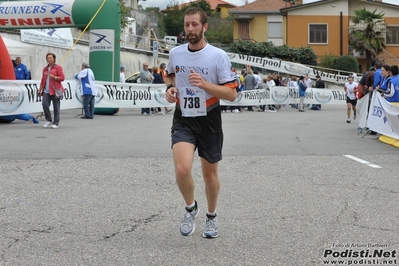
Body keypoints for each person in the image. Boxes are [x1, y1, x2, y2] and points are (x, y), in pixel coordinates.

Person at [164, 7, 237, 238]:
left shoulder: (218, 56)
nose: (190, 29)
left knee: (209, 176)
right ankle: (190, 208)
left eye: (195, 24)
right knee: (182, 168)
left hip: (209, 120)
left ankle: (211, 217)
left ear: (204, 27)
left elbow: (232, 94)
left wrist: (205, 85)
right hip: (183, 118)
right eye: (187, 25)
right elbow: (169, 74)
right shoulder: (176, 53)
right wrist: (170, 88)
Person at [38, 53, 65, 129]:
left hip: (55, 90)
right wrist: (40, 89)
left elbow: (62, 78)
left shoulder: (58, 67)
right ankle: (48, 119)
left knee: (56, 107)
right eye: (48, 58)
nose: (49, 59)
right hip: (46, 90)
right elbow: (43, 80)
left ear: (54, 59)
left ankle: (56, 123)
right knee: (44, 104)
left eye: (50, 58)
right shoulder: (45, 69)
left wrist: (54, 77)